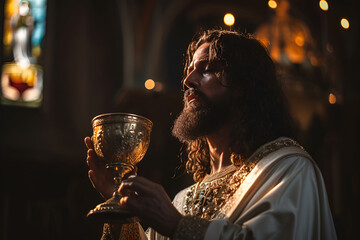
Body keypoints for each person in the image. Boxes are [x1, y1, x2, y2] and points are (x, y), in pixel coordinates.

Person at [85, 29, 337, 239]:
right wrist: (119, 204)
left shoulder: (287, 169)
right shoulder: (183, 200)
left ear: (243, 85)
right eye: (190, 69)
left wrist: (178, 226)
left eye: (207, 68)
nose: (188, 80)